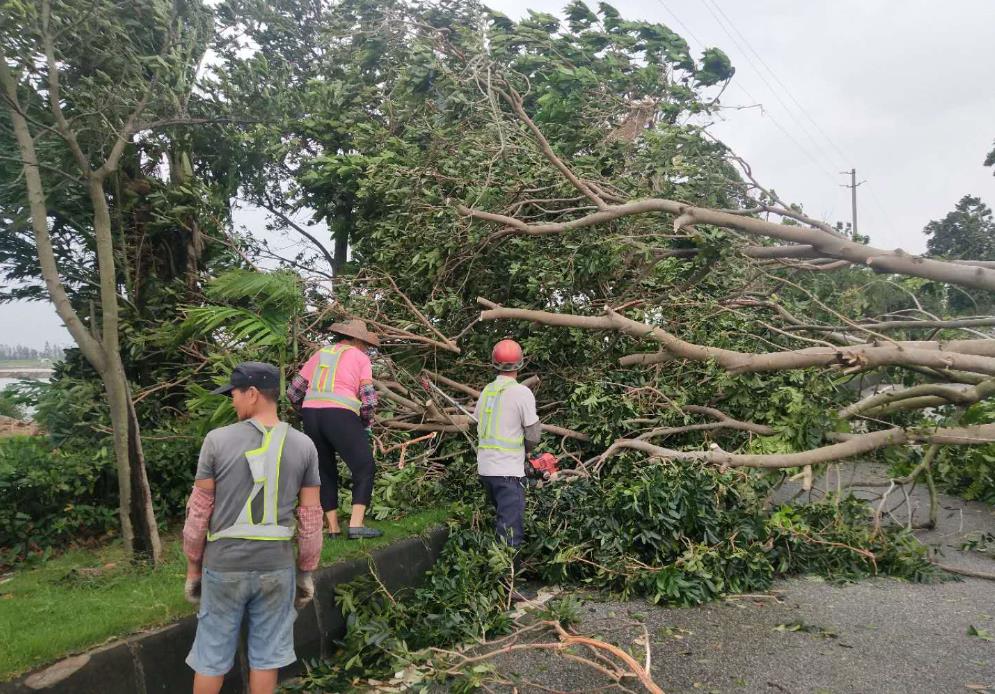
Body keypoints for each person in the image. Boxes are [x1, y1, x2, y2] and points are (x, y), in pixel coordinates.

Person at [182, 361, 323, 694]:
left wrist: (192, 568)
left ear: (253, 394)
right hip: (276, 568)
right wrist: (305, 572)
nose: (232, 401)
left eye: (234, 394)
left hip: (224, 567)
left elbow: (198, 514)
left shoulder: (216, 441)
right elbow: (311, 519)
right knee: (265, 659)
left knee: (211, 655)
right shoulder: (304, 446)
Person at [286, 319, 382, 539]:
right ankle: (356, 525)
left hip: (311, 416)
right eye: (365, 343)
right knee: (364, 467)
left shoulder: (320, 354)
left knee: (324, 470)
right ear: (357, 339)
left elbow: (293, 392)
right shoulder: (360, 358)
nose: (367, 348)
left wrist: (309, 409)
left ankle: (333, 528)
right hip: (340, 414)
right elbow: (368, 400)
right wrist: (365, 423)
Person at [474, 339, 541, 547]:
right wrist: (527, 452)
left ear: (494, 363)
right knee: (510, 532)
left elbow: (475, 423)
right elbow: (533, 435)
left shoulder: (487, 391)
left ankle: (501, 571)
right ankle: (507, 577)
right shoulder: (522, 393)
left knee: (503, 521)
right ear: (520, 363)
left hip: (486, 470)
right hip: (508, 473)